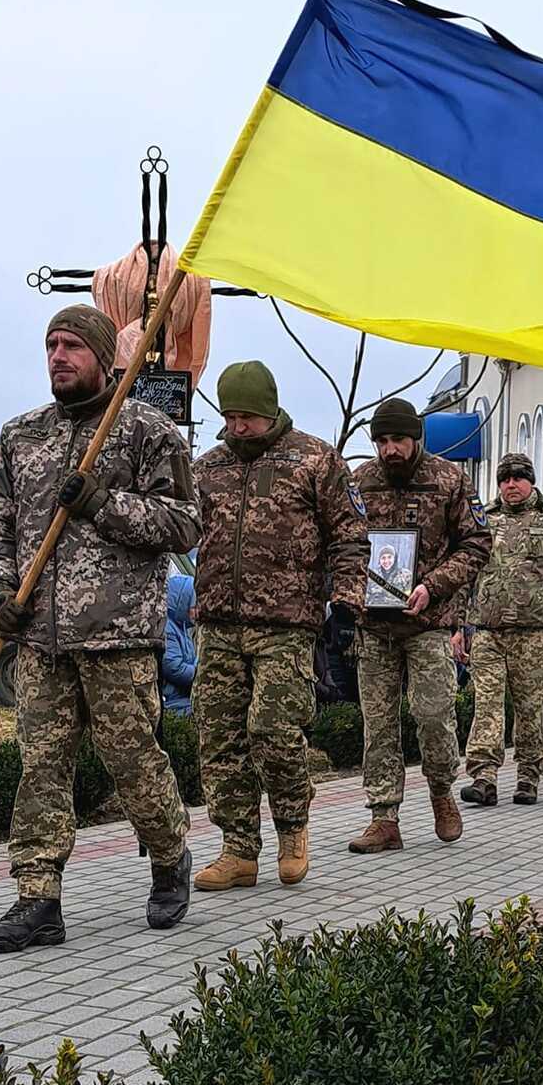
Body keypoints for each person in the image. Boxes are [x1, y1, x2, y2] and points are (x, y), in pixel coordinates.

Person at [0, 307, 199, 952]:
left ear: (102, 356)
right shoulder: (21, 436)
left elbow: (184, 526)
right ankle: (37, 898)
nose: (59, 356)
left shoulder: (146, 432)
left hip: (117, 634)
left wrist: (103, 502)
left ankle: (167, 855)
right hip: (41, 639)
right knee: (40, 767)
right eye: (51, 345)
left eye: (73, 345)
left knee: (130, 760)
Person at [190, 360, 368, 892]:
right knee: (218, 737)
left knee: (273, 729)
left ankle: (293, 827)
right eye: (230, 417)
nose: (238, 427)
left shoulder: (315, 460)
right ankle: (238, 849)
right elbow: (179, 529)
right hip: (219, 622)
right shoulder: (208, 468)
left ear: (271, 411)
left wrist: (347, 599)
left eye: (249, 417)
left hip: (286, 625)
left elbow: (351, 534)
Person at [350, 396, 490, 850]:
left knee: (433, 715)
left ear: (417, 439)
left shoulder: (449, 480)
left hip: (429, 621)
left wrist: (433, 584)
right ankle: (383, 816)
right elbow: (342, 543)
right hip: (373, 624)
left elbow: (476, 543)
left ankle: (441, 792)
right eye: (383, 441)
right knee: (378, 724)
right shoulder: (360, 482)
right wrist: (353, 592)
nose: (391, 449)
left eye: (399, 440)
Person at [461, 452, 543, 806]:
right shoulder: (482, 520)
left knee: (531, 707)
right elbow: (465, 575)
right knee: (486, 704)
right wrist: (457, 626)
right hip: (488, 631)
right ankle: (483, 777)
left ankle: (529, 776)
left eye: (517, 478)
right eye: (504, 479)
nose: (510, 485)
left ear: (530, 480)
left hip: (534, 633)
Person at [161, 568, 197, 714]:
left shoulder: (182, 627)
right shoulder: (167, 628)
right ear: (182, 602)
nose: (197, 611)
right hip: (175, 703)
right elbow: (175, 669)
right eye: (194, 606)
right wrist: (200, 669)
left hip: (184, 698)